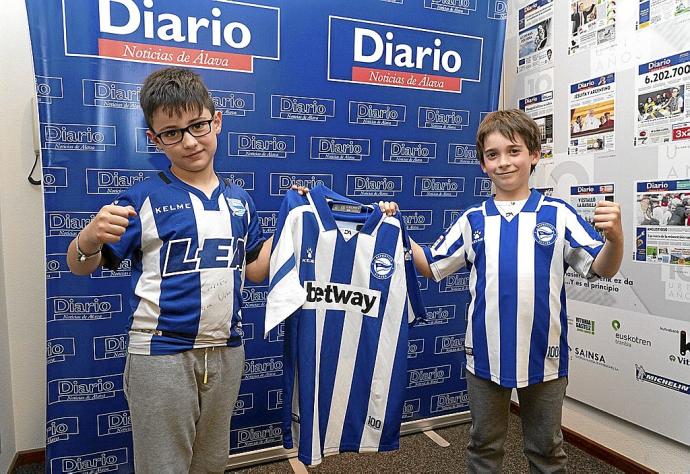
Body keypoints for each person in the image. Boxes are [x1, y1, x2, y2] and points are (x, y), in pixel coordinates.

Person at [66, 67, 289, 473]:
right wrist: (87, 240)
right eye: (172, 132)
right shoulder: (143, 198)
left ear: (216, 121)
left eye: (198, 125)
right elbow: (82, 267)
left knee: (211, 463)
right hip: (161, 355)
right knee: (163, 467)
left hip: (226, 351)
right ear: (154, 139)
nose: (189, 141)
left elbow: (255, 271)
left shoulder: (240, 200)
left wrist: (299, 224)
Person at [379, 109, 624, 473]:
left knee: (547, 451)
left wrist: (616, 237)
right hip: (484, 357)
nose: (504, 162)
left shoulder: (558, 214)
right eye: (493, 155)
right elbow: (431, 265)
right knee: (483, 448)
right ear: (482, 164)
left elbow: (601, 268)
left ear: (534, 155)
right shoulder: (473, 219)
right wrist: (395, 228)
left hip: (545, 356)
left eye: (514, 151)